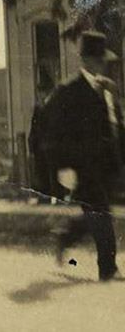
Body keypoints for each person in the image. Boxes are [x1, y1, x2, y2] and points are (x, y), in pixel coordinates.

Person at [43, 31, 125, 281]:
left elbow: (115, 124)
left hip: (108, 164)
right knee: (101, 212)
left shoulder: (108, 89)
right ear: (87, 61)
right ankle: (107, 268)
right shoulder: (68, 91)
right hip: (82, 165)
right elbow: (52, 131)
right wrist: (62, 167)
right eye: (99, 60)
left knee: (95, 213)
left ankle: (65, 237)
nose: (103, 65)